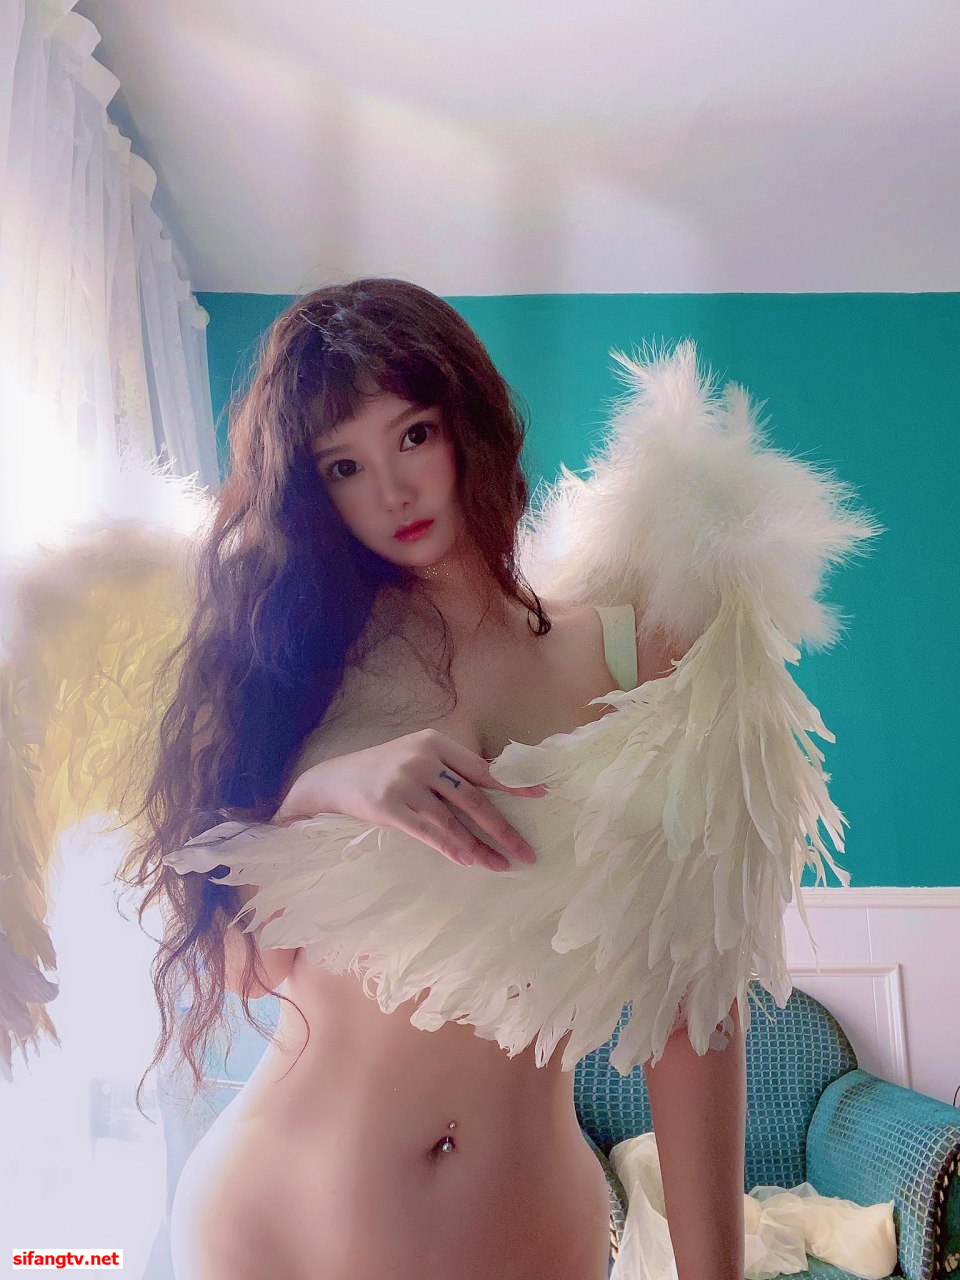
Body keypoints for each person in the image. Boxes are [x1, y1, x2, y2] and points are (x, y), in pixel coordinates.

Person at [121, 278, 749, 1280]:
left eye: (412, 435)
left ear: (470, 422)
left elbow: (694, 997)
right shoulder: (289, 672)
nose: (393, 493)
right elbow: (246, 968)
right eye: (344, 466)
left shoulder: (631, 653)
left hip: (529, 1232)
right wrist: (325, 791)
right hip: (274, 1227)